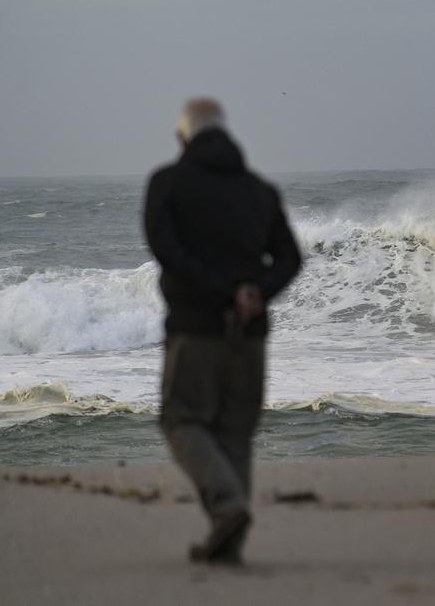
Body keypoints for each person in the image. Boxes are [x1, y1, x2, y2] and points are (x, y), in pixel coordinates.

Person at [143, 98, 302, 564]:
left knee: (181, 421)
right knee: (235, 433)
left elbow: (168, 251)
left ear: (182, 136)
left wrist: (220, 292)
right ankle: (228, 544)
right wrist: (254, 292)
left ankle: (228, 508)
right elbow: (290, 259)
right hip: (250, 337)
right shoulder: (260, 191)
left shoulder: (168, 184)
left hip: (196, 330)